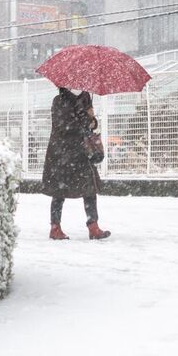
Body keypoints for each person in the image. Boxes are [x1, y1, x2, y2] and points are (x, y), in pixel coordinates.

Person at [42, 86, 111, 241]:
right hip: (62, 152)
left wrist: (92, 120)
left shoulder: (85, 98)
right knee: (59, 191)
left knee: (89, 189)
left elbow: (91, 125)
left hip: (81, 152)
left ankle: (93, 226)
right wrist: (85, 118)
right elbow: (64, 126)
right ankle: (55, 227)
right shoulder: (59, 101)